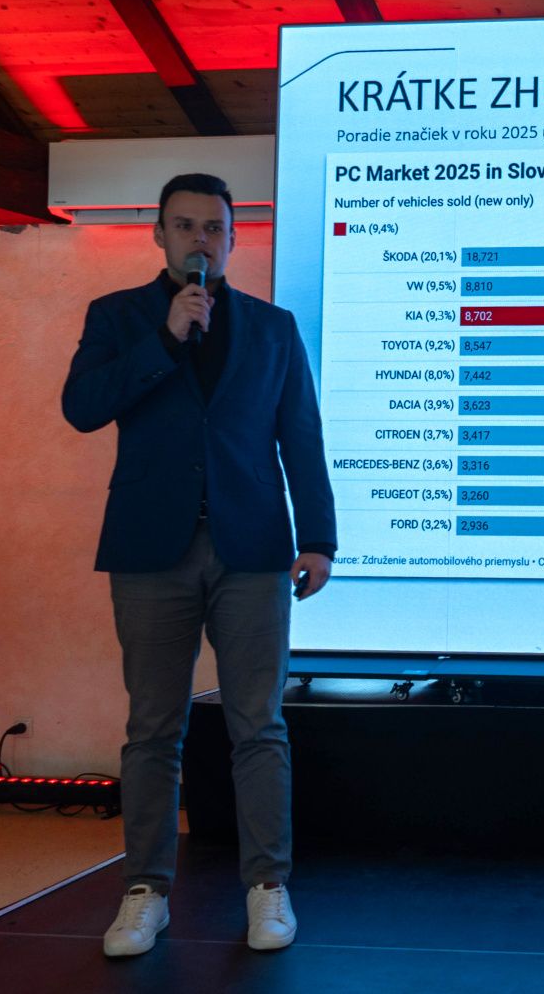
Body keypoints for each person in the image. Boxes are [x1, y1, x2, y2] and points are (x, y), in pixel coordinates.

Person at [61, 173, 336, 958]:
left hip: (253, 549)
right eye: (184, 226)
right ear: (159, 234)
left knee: (259, 726)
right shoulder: (118, 317)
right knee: (153, 728)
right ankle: (145, 892)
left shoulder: (274, 328)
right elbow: (82, 407)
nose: (200, 240)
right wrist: (165, 339)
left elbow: (300, 435)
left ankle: (267, 886)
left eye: (214, 227)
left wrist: (318, 538)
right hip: (152, 550)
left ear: (233, 238)